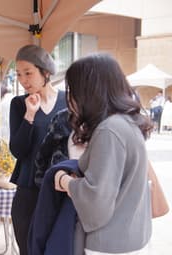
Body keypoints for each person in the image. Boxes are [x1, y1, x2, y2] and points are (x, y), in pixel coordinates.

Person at [54, 53, 153, 255]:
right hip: (132, 237)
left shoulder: (109, 130)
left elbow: (96, 198)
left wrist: (64, 181)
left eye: (73, 89)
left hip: (109, 244)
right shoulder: (127, 122)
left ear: (88, 91)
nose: (70, 97)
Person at [9, 44, 67, 255]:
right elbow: (17, 150)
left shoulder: (67, 101)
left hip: (60, 190)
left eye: (28, 73)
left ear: (46, 72)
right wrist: (29, 115)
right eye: (18, 74)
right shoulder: (18, 104)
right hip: (27, 191)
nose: (23, 80)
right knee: (27, 249)